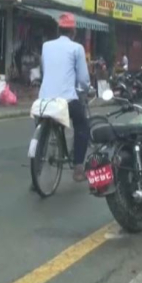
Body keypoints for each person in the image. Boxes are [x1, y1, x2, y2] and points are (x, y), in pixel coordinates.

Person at [39, 13, 91, 182]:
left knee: (40, 124)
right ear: (74, 31)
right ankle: (78, 168)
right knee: (82, 124)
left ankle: (37, 165)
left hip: (44, 100)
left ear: (58, 29)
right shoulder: (77, 48)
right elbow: (83, 79)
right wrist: (86, 89)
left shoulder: (46, 46)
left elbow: (45, 70)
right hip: (66, 101)